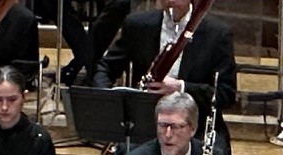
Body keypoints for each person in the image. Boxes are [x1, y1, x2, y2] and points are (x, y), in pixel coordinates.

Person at [93, 0, 239, 115]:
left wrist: (181, 88)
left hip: (194, 123)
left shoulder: (217, 33)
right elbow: (105, 68)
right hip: (145, 118)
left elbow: (226, 94)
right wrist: (108, 100)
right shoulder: (138, 24)